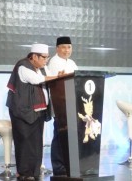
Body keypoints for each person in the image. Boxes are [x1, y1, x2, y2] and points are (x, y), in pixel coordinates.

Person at [5, 43, 59, 180]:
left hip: (38, 111)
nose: (46, 60)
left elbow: (50, 77)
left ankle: (34, 172)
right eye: (44, 57)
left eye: (47, 57)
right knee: (24, 142)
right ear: (34, 56)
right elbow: (36, 80)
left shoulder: (42, 68)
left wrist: (60, 76)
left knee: (36, 143)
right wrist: (57, 77)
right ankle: (24, 173)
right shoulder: (23, 66)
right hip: (22, 111)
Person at [47, 36, 78, 176]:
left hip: (71, 105)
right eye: (64, 47)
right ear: (57, 48)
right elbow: (55, 84)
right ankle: (59, 167)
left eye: (69, 47)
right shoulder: (54, 62)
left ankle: (69, 165)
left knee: (67, 136)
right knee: (59, 136)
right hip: (60, 106)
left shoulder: (71, 62)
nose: (67, 50)